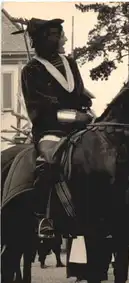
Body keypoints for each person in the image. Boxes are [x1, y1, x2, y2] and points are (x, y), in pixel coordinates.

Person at [17, 18, 94, 238]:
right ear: (46, 39)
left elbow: (79, 94)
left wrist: (86, 111)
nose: (65, 39)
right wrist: (75, 116)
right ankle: (44, 216)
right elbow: (41, 109)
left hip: (80, 126)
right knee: (49, 162)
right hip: (50, 131)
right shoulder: (31, 71)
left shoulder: (70, 63)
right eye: (59, 35)